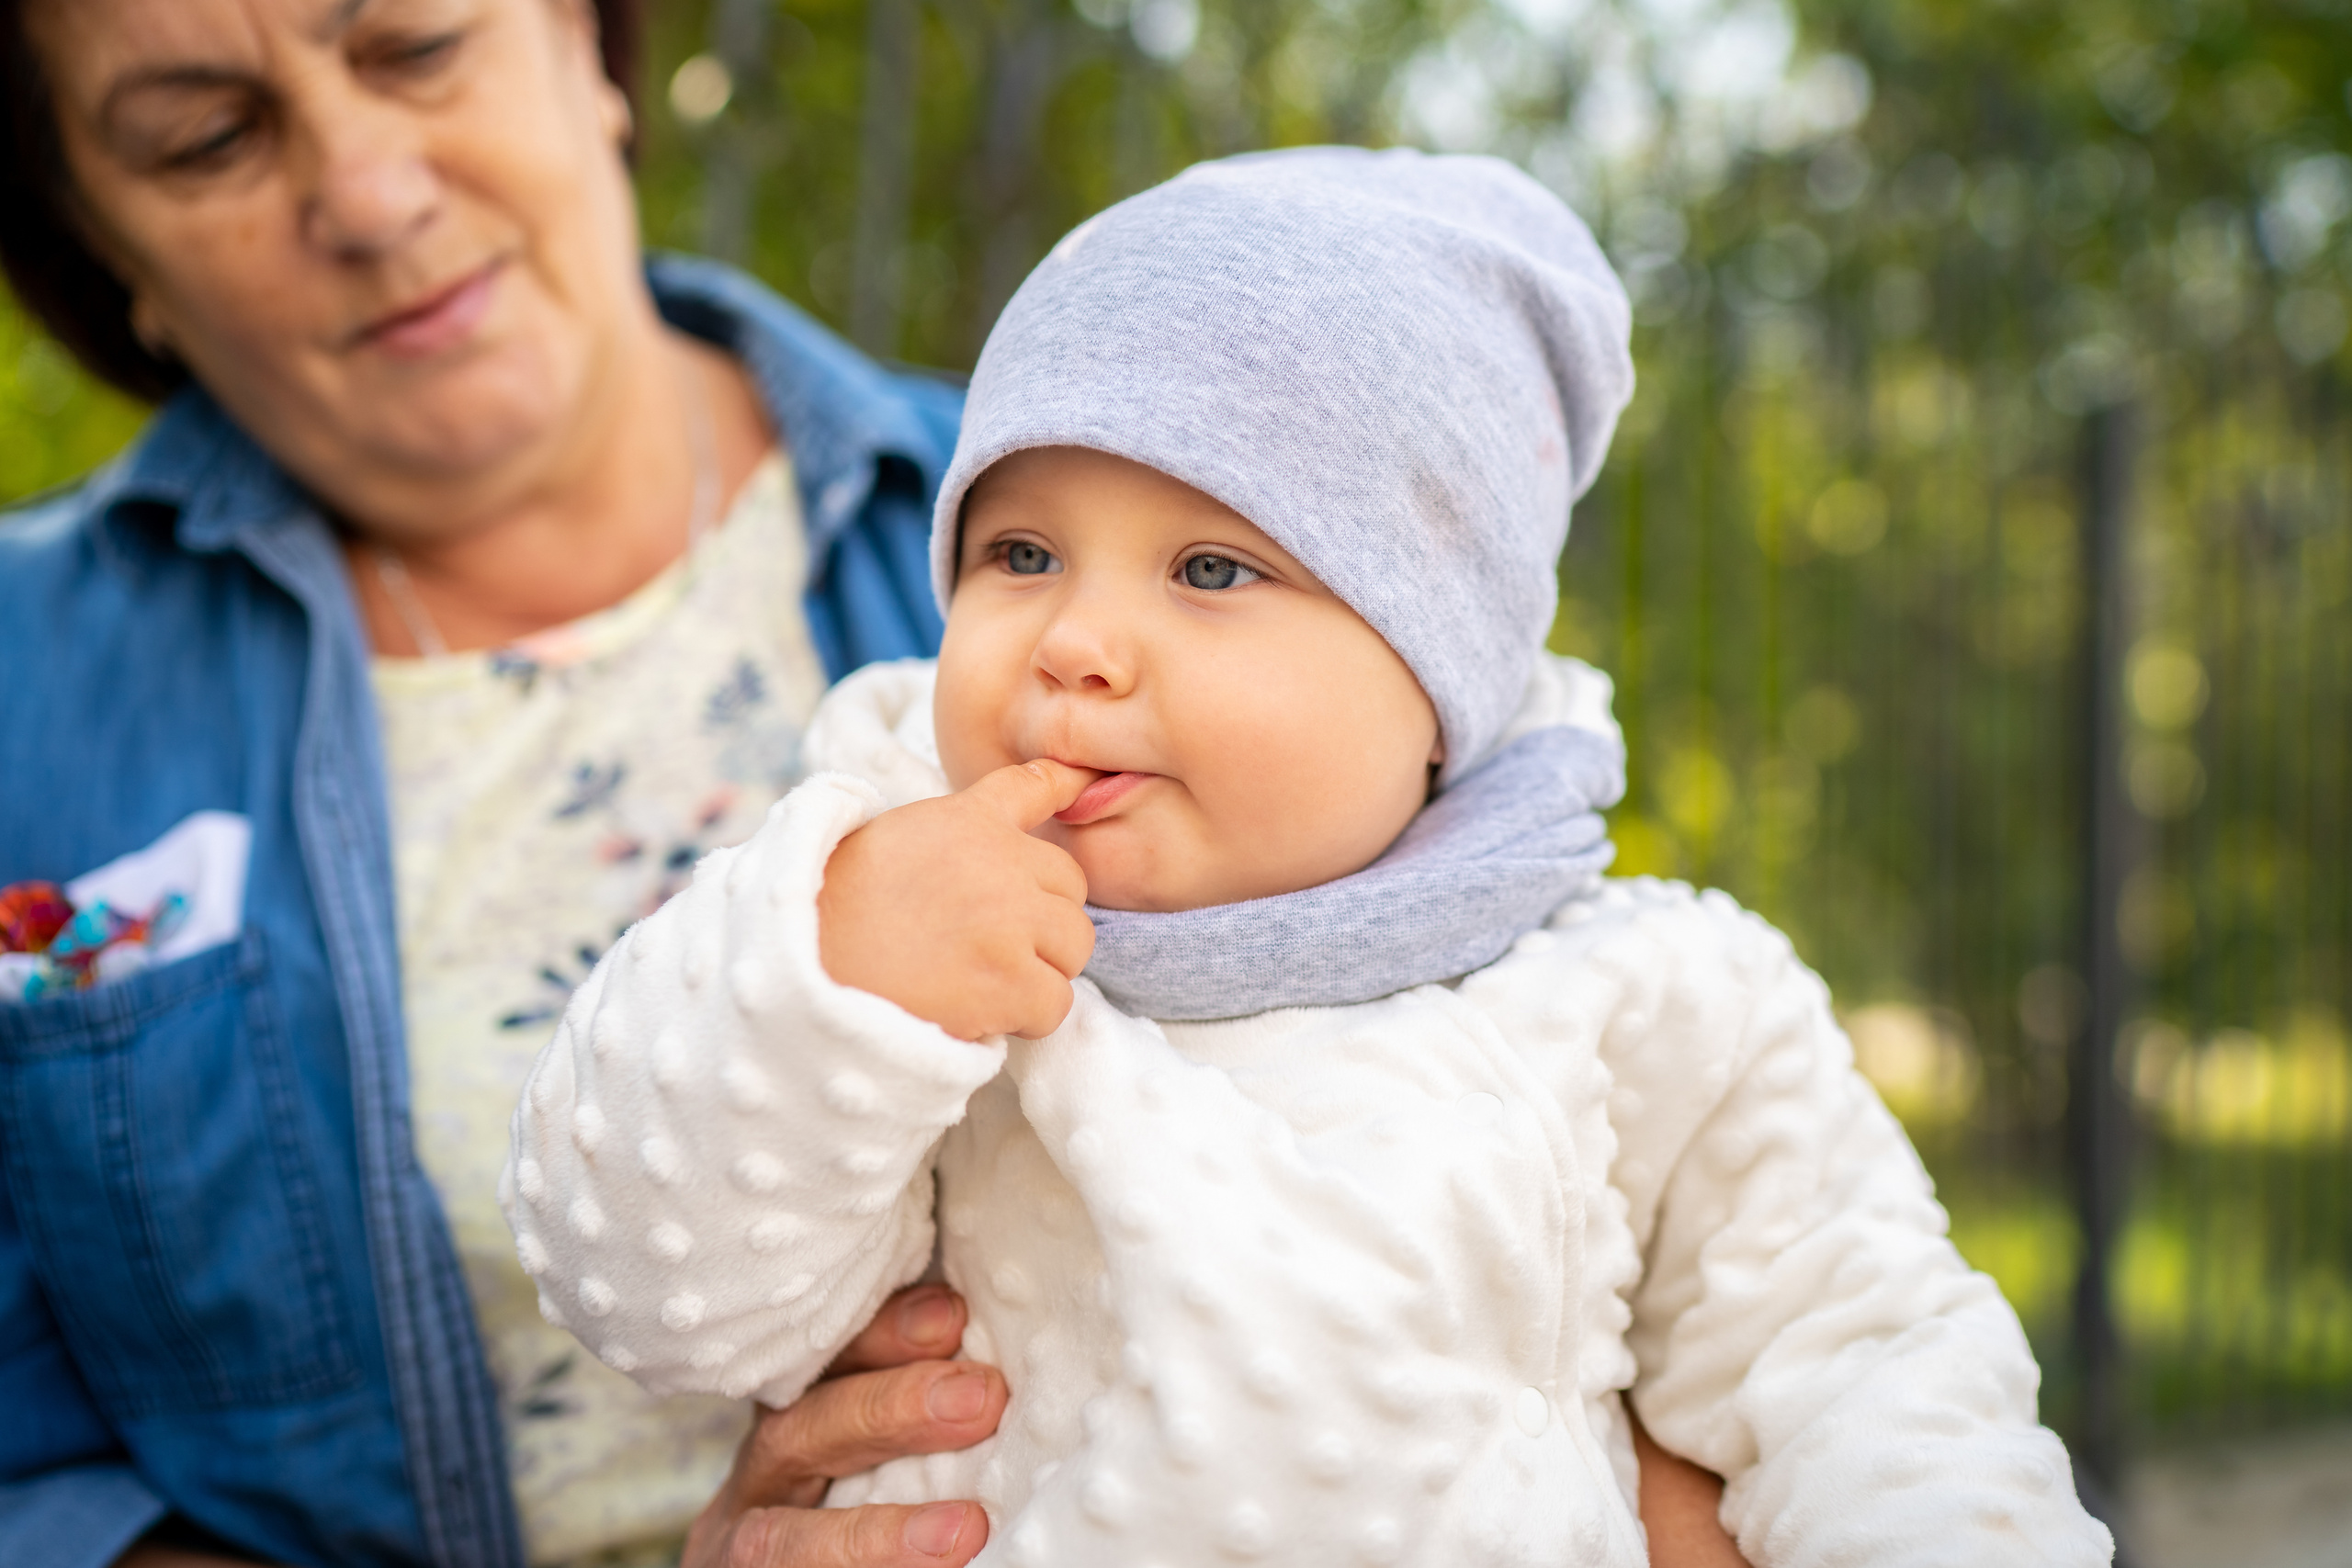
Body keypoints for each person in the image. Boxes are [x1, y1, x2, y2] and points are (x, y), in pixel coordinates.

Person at [0, 1, 1750, 1565]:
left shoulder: (1126, 517)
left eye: (414, 45)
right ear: (98, 237)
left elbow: (1610, 1149)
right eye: (205, 137)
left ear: (587, 50)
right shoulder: (28, 686)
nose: (367, 191)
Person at [511, 150, 2116, 1565]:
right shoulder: (893, 929)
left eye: (1211, 567)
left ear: (1438, 683)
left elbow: (1868, 1367)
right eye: (1020, 551)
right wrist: (823, 991)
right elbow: (657, 1301)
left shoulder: (1642, 995)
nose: (1074, 639)